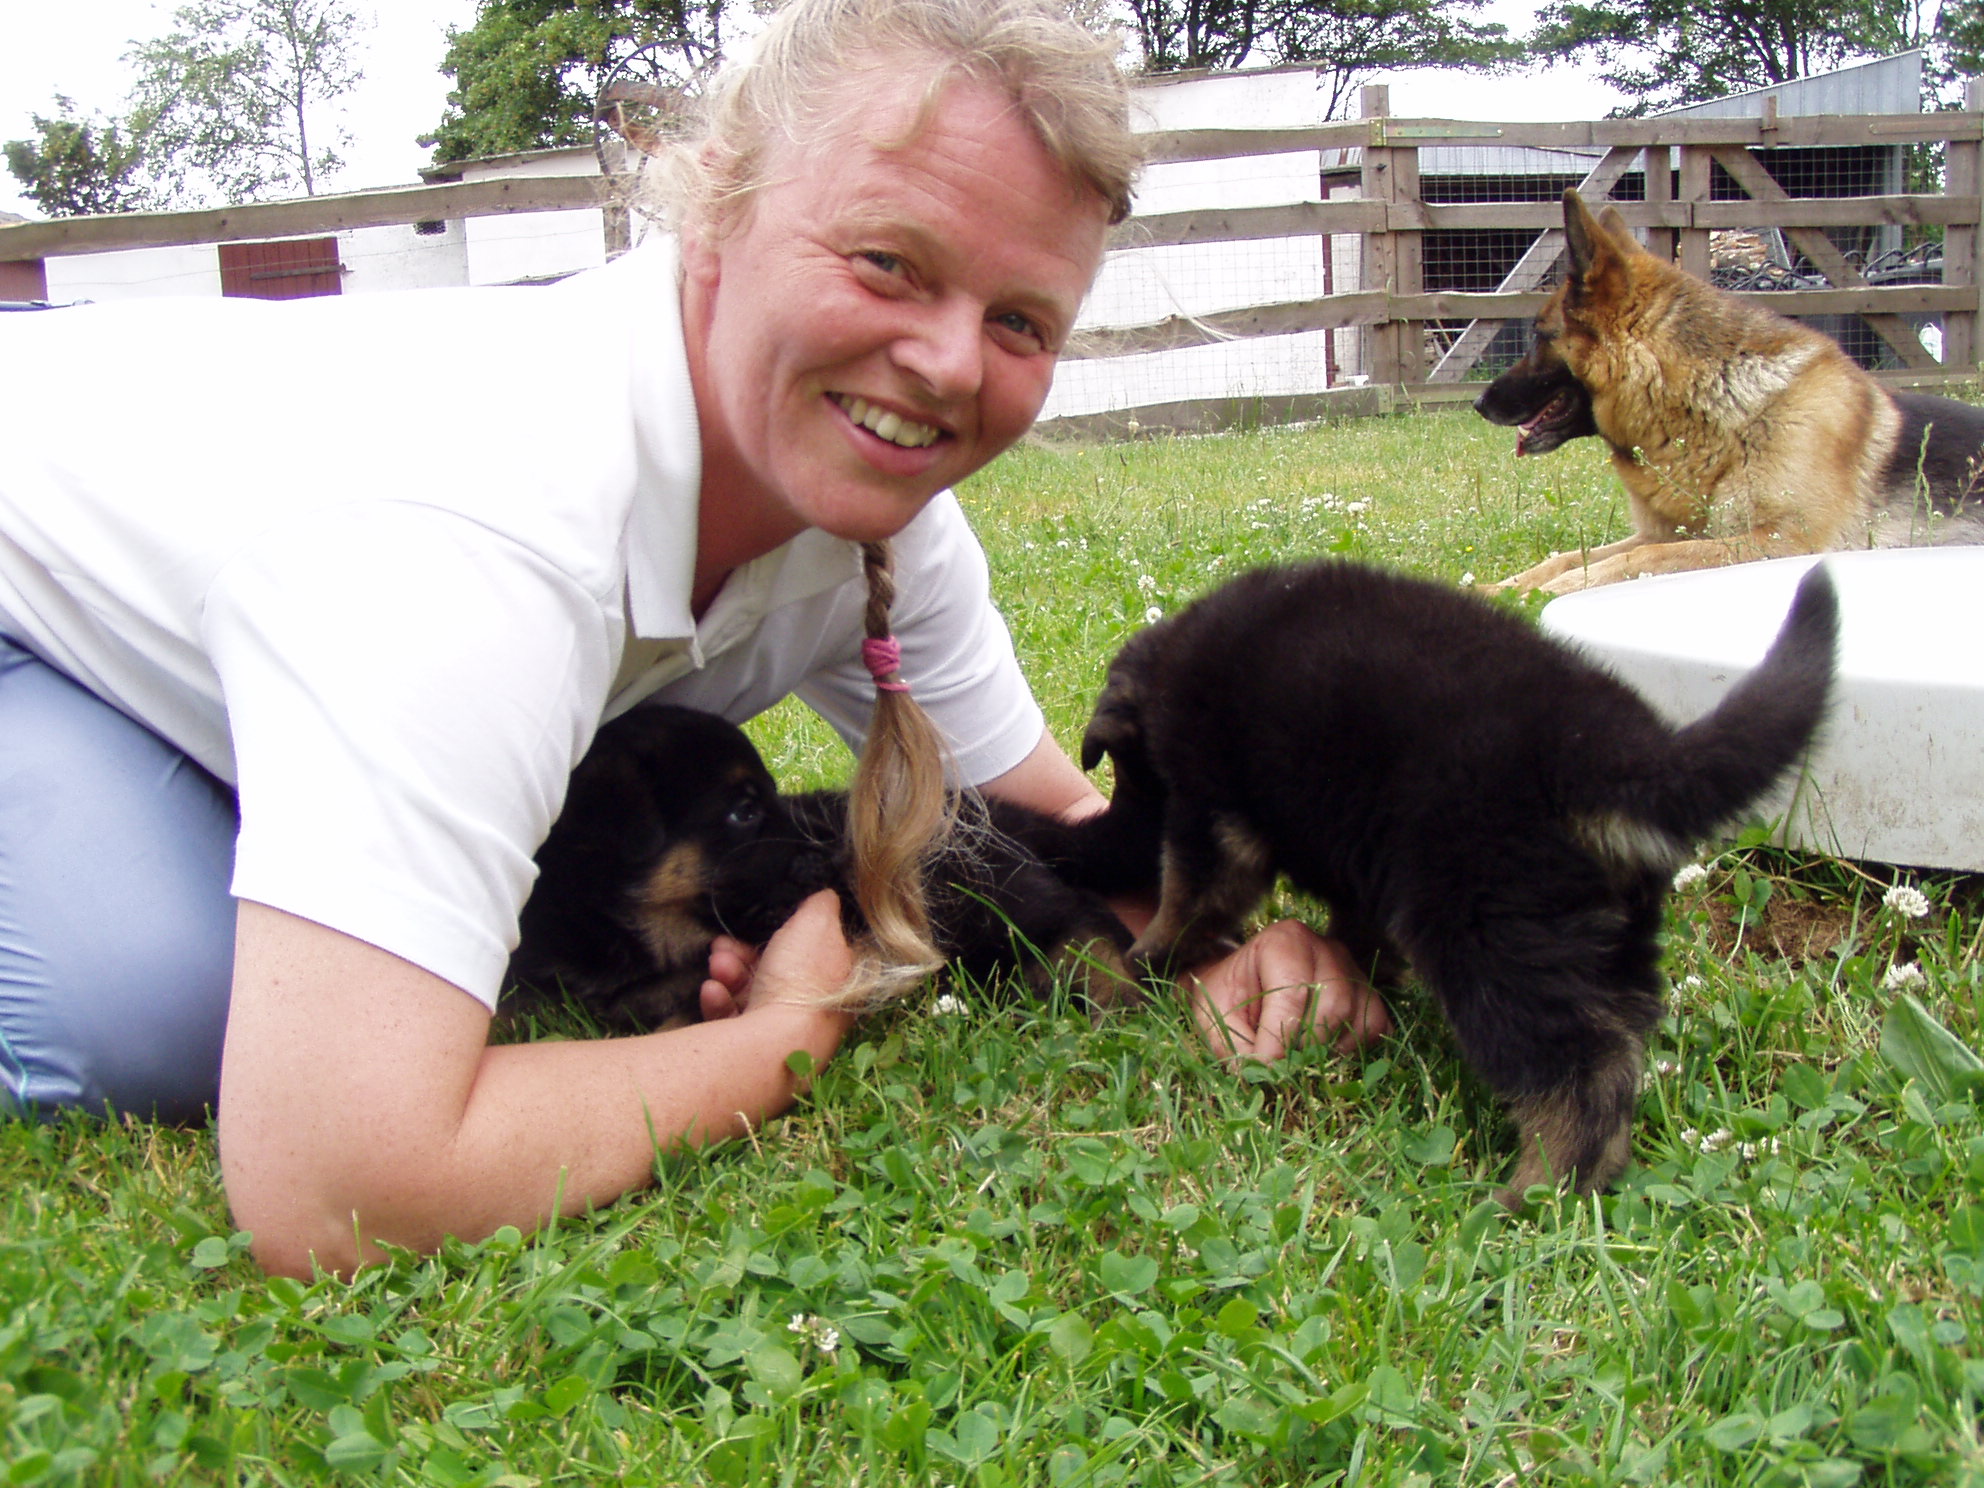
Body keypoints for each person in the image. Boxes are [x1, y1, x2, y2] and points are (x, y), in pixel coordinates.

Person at [0, 0, 1389, 1279]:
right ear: (717, 202)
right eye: (887, 260)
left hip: (265, 600)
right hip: (30, 611)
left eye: (1019, 319)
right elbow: (340, 1182)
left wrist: (1219, 947)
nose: (953, 364)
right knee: (156, 1007)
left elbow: (1042, 820)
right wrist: (792, 1032)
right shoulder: (488, 529)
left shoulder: (870, 515)